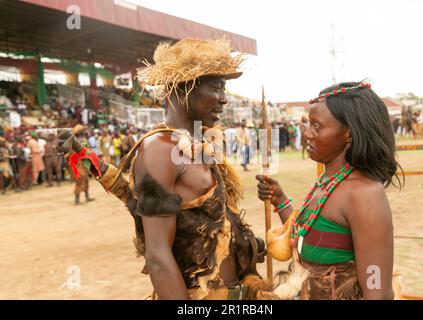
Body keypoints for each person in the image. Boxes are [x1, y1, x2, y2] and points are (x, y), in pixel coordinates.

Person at [57, 38, 266, 300]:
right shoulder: (160, 149)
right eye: (216, 88)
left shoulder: (200, 144)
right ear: (182, 90)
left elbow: (206, 219)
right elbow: (157, 256)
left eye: (224, 89)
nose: (224, 99)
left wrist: (243, 245)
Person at [256, 82, 403, 300]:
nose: (307, 133)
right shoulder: (327, 181)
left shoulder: (364, 194)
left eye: (317, 125)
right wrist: (281, 201)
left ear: (348, 134)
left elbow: (378, 292)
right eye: (308, 124)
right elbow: (309, 238)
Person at [70, 125, 95, 205]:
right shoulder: (74, 141)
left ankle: (87, 197)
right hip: (78, 163)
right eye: (81, 131)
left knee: (86, 179)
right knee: (79, 179)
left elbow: (87, 150)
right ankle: (76, 200)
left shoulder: (83, 139)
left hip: (84, 162)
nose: (83, 132)